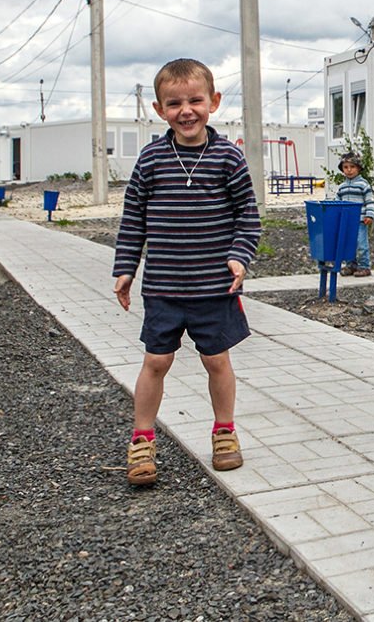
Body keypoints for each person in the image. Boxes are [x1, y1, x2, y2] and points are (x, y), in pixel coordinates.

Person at [113, 58, 261, 486]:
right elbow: (133, 219)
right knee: (156, 360)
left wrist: (239, 256)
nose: (186, 110)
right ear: (159, 109)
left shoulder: (228, 157)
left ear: (213, 102)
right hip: (163, 286)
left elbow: (247, 218)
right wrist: (126, 268)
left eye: (195, 100)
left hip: (214, 286)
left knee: (216, 359)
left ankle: (225, 431)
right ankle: (142, 439)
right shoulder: (151, 159)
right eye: (174, 103)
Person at [335, 152, 374, 278]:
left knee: (361, 244)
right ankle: (351, 264)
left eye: (352, 167)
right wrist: (337, 217)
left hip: (360, 220)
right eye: (346, 167)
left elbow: (369, 201)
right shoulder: (341, 187)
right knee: (347, 244)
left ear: (358, 168)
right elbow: (337, 203)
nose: (349, 170)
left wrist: (369, 215)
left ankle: (364, 266)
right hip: (346, 221)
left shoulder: (363, 184)